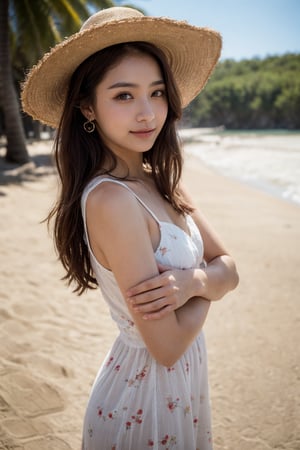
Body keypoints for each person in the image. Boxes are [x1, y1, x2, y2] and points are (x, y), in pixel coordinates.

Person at [21, 7, 239, 450]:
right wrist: (207, 286)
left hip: (180, 390)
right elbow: (167, 345)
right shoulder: (112, 200)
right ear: (88, 106)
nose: (147, 113)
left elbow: (229, 268)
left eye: (156, 93)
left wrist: (192, 282)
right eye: (124, 95)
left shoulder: (161, 182)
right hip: (144, 398)